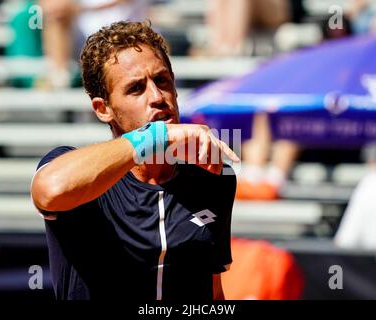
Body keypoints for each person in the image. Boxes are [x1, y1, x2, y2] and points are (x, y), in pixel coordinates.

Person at [30, 21, 240, 300]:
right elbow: (50, 190)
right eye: (136, 89)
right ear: (103, 109)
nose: (156, 97)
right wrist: (154, 137)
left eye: (162, 80)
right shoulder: (75, 169)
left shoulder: (210, 176)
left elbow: (213, 290)